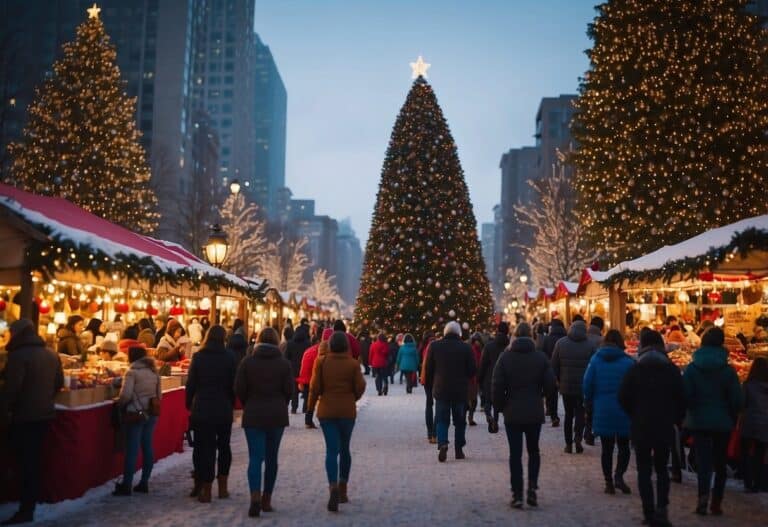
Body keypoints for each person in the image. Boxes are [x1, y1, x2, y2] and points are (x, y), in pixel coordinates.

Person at [619, 329, 685, 527]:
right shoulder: (671, 370)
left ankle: (648, 512)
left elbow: (623, 397)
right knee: (662, 469)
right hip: (664, 425)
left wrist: (635, 414)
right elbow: (682, 398)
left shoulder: (635, 369)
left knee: (644, 470)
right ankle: (662, 509)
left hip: (641, 426)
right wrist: (674, 418)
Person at [0, 319, 63, 525]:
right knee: (33, 462)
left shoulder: (18, 356)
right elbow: (58, 384)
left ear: (17, 333)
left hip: (23, 416)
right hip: (43, 414)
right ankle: (29, 504)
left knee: (23, 463)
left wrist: (6, 411)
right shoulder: (51, 354)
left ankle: (25, 508)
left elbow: (11, 390)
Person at [683, 327, 743, 516]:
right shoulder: (728, 371)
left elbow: (685, 396)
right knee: (720, 463)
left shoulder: (691, 369)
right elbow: (737, 400)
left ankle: (702, 499)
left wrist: (692, 410)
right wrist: (732, 414)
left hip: (699, 422)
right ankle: (716, 502)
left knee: (703, 463)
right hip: (723, 423)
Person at [491, 333, 556, 509]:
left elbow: (497, 385)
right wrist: (541, 396)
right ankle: (532, 487)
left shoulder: (505, 357)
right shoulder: (540, 357)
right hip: (534, 411)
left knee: (515, 454)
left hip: (512, 412)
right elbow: (551, 385)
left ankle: (517, 493)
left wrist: (500, 407)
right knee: (534, 451)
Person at [235, 327, 293, 517]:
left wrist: (249, 403)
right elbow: (289, 391)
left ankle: (255, 498)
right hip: (276, 415)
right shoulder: (284, 364)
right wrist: (280, 403)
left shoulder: (247, 362)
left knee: (255, 458)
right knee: (271, 458)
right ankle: (267, 499)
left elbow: (239, 389)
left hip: (253, 414)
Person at [308, 331, 366, 512]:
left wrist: (310, 409)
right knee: (345, 449)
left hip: (327, 411)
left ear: (331, 345)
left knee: (331, 450)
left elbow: (314, 388)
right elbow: (360, 386)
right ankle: (343, 487)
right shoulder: (353, 364)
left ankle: (332, 485)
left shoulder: (321, 362)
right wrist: (351, 398)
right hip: (347, 412)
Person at [185, 325, 236, 503]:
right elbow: (233, 384)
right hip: (223, 408)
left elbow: (191, 383)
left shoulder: (199, 357)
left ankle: (206, 489)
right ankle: (223, 488)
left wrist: (188, 402)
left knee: (204, 448)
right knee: (224, 447)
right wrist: (230, 400)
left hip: (203, 409)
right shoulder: (230, 357)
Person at [583, 329, 635, 495]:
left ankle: (609, 482)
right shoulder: (628, 362)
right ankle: (619, 475)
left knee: (607, 448)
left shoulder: (596, 360)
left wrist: (589, 401)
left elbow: (587, 384)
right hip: (624, 409)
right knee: (624, 446)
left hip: (602, 409)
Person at [424, 321, 477, 462]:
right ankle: (459, 449)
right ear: (459, 333)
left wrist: (430, 384)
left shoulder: (435, 346)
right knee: (460, 421)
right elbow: (472, 370)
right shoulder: (466, 348)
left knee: (442, 419)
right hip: (460, 391)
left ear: (445, 332)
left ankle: (442, 443)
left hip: (441, 389)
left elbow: (428, 369)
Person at [113, 346, 161, 496]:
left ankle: (127, 484)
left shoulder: (131, 372)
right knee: (147, 447)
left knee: (132, 450)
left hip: (135, 414)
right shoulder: (154, 373)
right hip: (151, 414)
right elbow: (159, 396)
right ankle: (144, 482)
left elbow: (125, 396)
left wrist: (119, 405)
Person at [551, 320, 597, 454]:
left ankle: (568, 444)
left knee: (568, 415)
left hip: (566, 386)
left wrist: (559, 380)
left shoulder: (561, 343)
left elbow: (554, 365)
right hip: (583, 387)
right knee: (580, 413)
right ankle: (578, 438)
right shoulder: (590, 345)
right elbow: (594, 366)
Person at [740, 357, 768, 493]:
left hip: (749, 422)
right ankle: (757, 483)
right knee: (760, 453)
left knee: (745, 452)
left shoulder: (748, 385)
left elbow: (742, 403)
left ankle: (747, 481)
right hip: (765, 424)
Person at [297, 328, 333, 428]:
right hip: (319, 379)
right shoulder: (330, 353)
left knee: (310, 401)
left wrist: (301, 380)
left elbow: (304, 366)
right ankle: (324, 420)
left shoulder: (310, 350)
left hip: (307, 379)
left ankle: (308, 421)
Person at [478, 322, 510, 434]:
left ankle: (489, 416)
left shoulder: (489, 346)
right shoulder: (509, 346)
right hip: (504, 377)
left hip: (489, 377)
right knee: (497, 401)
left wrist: (480, 378)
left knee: (488, 400)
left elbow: (483, 364)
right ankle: (495, 420)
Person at [541, 318, 567, 427]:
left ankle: (554, 415)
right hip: (565, 369)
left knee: (552, 394)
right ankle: (571, 413)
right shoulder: (566, 338)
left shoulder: (547, 339)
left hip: (550, 369)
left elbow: (543, 354)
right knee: (567, 393)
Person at [283, 324, 310, 414]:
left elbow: (286, 357)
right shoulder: (307, 343)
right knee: (306, 389)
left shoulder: (290, 343)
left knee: (294, 389)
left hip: (293, 369)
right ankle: (305, 408)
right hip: (305, 368)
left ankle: (294, 407)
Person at [419, 331, 437, 443]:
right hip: (437, 378)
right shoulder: (436, 345)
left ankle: (430, 432)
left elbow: (421, 363)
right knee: (439, 405)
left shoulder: (423, 347)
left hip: (427, 379)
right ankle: (434, 433)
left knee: (429, 404)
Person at [467, 333, 483, 425]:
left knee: (473, 400)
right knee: (470, 400)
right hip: (471, 378)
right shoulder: (472, 349)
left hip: (475, 378)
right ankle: (469, 417)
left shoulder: (479, 349)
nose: (478, 342)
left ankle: (470, 417)